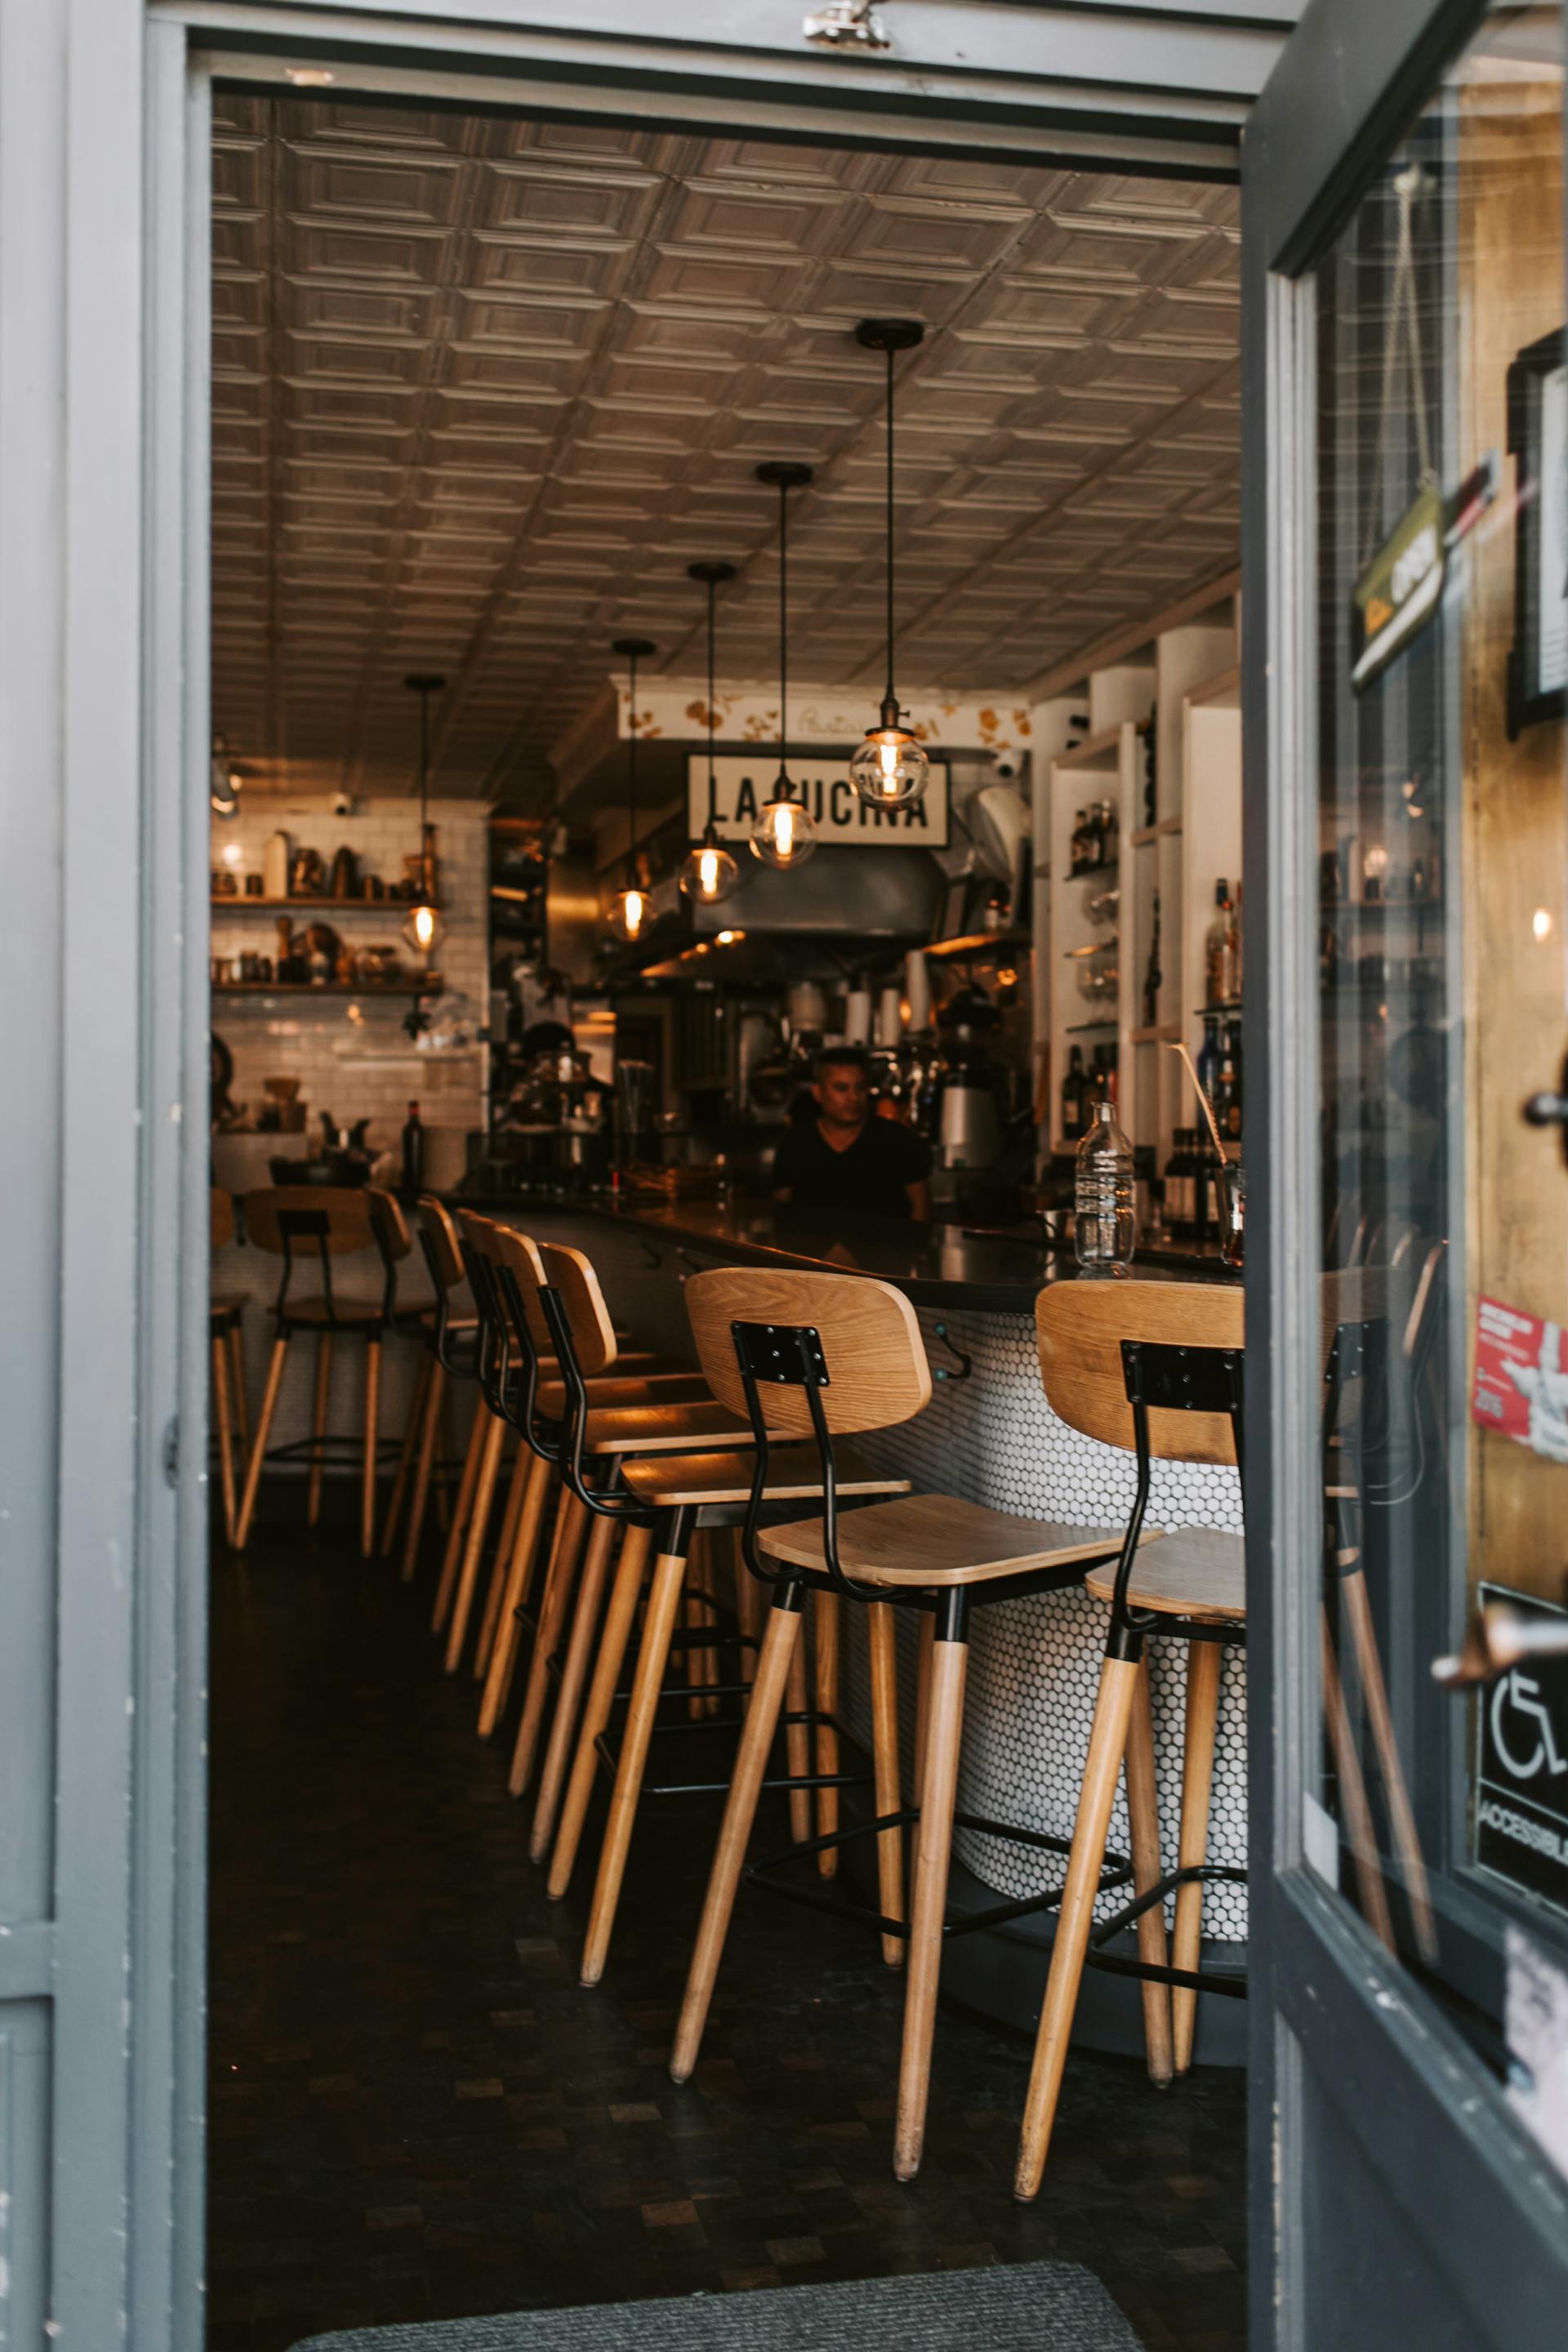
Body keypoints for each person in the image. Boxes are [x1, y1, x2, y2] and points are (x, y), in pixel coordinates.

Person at [771, 1046, 931, 1220]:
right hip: (810, 1245)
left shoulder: (897, 1139)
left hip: (882, 1246)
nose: (853, 1097)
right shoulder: (796, 1144)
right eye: (842, 1088)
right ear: (818, 1093)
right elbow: (781, 1213)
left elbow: (921, 1207)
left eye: (860, 1088)